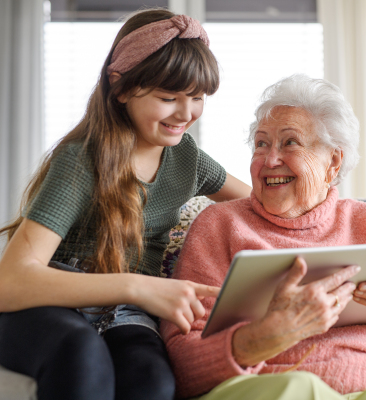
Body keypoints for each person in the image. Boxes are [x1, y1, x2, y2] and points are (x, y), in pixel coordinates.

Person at [0, 9, 251, 400]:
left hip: (127, 316)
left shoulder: (187, 159)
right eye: (168, 97)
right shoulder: (81, 159)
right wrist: (138, 287)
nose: (186, 114)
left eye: (197, 98)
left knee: (152, 380)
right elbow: (11, 281)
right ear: (120, 87)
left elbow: (262, 206)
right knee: (81, 354)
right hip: (52, 301)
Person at [161, 74, 366, 400]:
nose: (270, 160)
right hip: (276, 388)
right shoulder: (220, 225)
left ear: (333, 161)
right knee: (303, 389)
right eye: (261, 144)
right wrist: (273, 333)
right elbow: (185, 368)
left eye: (290, 142)